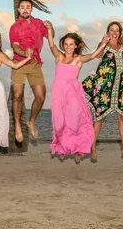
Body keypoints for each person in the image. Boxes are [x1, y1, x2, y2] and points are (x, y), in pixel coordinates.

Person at [83, 0, 123, 161]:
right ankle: (92, 147)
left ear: (119, 33)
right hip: (106, 88)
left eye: (117, 30)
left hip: (122, 88)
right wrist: (102, 43)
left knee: (122, 118)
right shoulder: (104, 44)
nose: (115, 33)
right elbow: (97, 56)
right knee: (99, 118)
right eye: (112, 30)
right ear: (108, 32)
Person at [46, 28, 109, 163]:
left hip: (72, 94)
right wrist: (49, 30)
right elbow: (51, 44)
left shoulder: (78, 59)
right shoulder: (59, 57)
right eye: (66, 44)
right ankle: (63, 147)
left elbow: (93, 55)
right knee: (59, 123)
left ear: (76, 45)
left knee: (75, 122)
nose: (68, 47)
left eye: (71, 44)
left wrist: (103, 44)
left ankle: (79, 149)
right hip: (58, 95)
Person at [9, 0, 52, 143]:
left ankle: (31, 121)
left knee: (40, 97)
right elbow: (15, 46)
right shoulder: (14, 27)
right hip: (19, 63)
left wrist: (50, 27)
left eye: (28, 7)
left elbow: (50, 35)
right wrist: (23, 53)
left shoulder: (39, 23)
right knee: (17, 95)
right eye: (22, 7)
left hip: (35, 63)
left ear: (31, 9)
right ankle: (17, 126)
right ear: (18, 10)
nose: (25, 9)